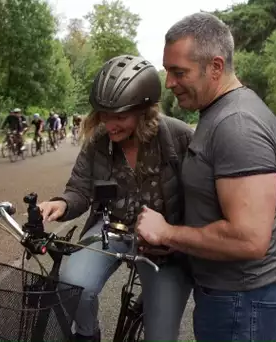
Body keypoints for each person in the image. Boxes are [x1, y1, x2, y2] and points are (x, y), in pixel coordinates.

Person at [136, 12, 276, 342]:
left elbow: (249, 238)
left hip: (244, 300)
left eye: (179, 72)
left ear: (215, 66)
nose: (168, 82)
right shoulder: (219, 112)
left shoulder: (237, 124)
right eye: (168, 70)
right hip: (234, 297)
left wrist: (167, 233)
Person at [38, 55, 194, 342]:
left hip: (163, 244)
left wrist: (179, 238)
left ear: (144, 110)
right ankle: (87, 334)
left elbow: (201, 196)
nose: (110, 125)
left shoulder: (179, 138)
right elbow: (80, 189)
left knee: (161, 336)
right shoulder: (98, 142)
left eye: (120, 116)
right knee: (73, 284)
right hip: (111, 229)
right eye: (104, 115)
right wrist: (61, 204)